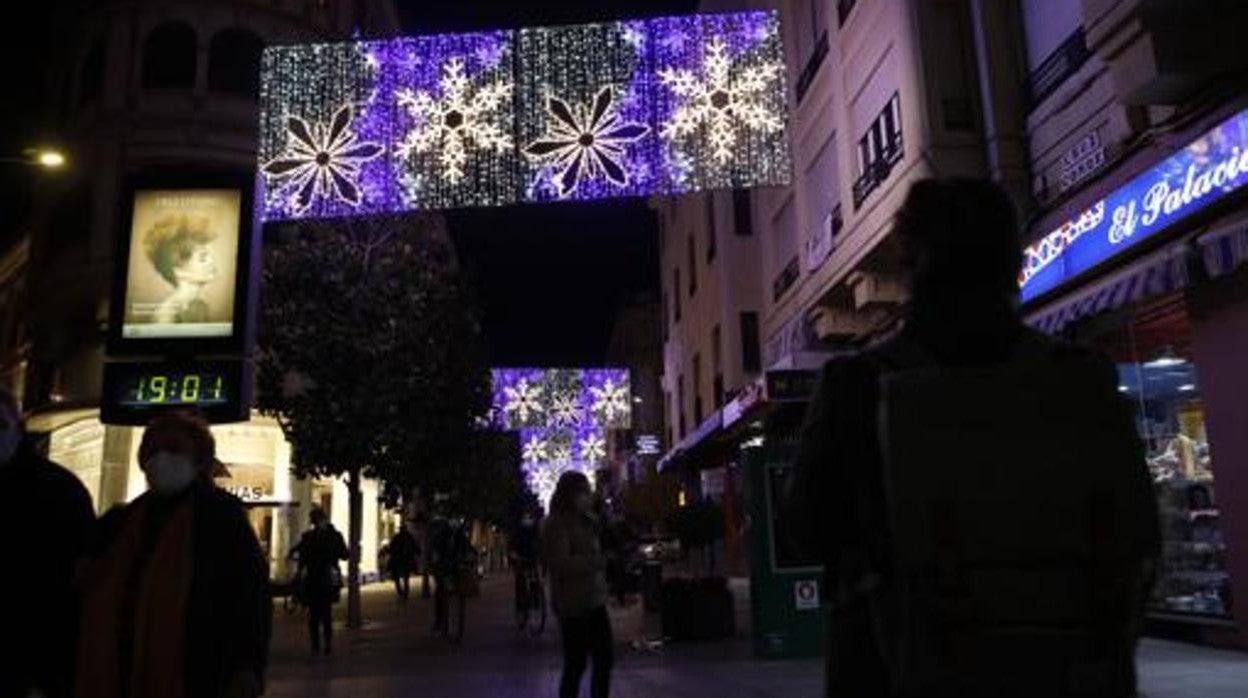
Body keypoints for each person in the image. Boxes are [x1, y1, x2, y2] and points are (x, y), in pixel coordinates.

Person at [785, 178, 1160, 697]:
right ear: (1013, 262)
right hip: (1069, 671)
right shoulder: (1081, 376)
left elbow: (806, 526)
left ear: (911, 261)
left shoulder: (856, 386)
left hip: (902, 670)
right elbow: (1139, 537)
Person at [76, 410, 271, 698]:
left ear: (200, 460)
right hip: (120, 672)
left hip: (198, 674)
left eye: (174, 448)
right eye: (152, 449)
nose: (161, 457)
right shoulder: (121, 522)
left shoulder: (221, 517)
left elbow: (249, 596)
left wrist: (247, 668)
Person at [0, 388, 94, 698]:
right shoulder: (59, 487)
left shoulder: (58, 491)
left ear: (17, 425)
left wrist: (49, 676)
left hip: (31, 665)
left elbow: (73, 590)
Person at [543, 472, 613, 698]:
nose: (587, 496)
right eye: (582, 491)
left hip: (594, 598)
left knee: (604, 660)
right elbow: (560, 563)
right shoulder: (557, 524)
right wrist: (597, 562)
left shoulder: (588, 519)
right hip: (573, 603)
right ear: (569, 494)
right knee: (576, 663)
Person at [290, 507, 348, 655]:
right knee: (326, 613)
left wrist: (298, 576)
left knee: (314, 615)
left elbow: (300, 558)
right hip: (328, 578)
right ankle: (327, 643)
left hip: (313, 578)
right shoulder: (334, 536)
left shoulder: (308, 537)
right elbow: (344, 555)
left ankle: (316, 645)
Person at [143, 214, 218, 324]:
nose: (211, 261)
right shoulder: (167, 316)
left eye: (210, 255)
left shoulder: (198, 306)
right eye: (202, 257)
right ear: (178, 271)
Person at [430, 515, 473, 636]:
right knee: (440, 591)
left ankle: (457, 617)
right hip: (443, 566)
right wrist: (436, 559)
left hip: (456, 566)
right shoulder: (441, 535)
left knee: (460, 587)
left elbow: (467, 548)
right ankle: (439, 619)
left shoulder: (460, 536)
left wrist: (470, 556)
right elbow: (435, 550)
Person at [510, 510, 542, 616]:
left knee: (532, 578)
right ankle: (523, 603)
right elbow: (513, 542)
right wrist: (513, 554)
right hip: (522, 556)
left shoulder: (533, 529)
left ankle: (534, 600)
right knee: (521, 578)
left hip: (529, 556)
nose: (527, 519)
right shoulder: (519, 529)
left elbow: (539, 541)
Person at [387, 525, 419, 603]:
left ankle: (401, 592)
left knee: (397, 578)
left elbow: (391, 548)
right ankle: (404, 593)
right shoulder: (409, 537)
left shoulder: (397, 537)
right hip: (406, 560)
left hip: (398, 560)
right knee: (405, 578)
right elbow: (415, 547)